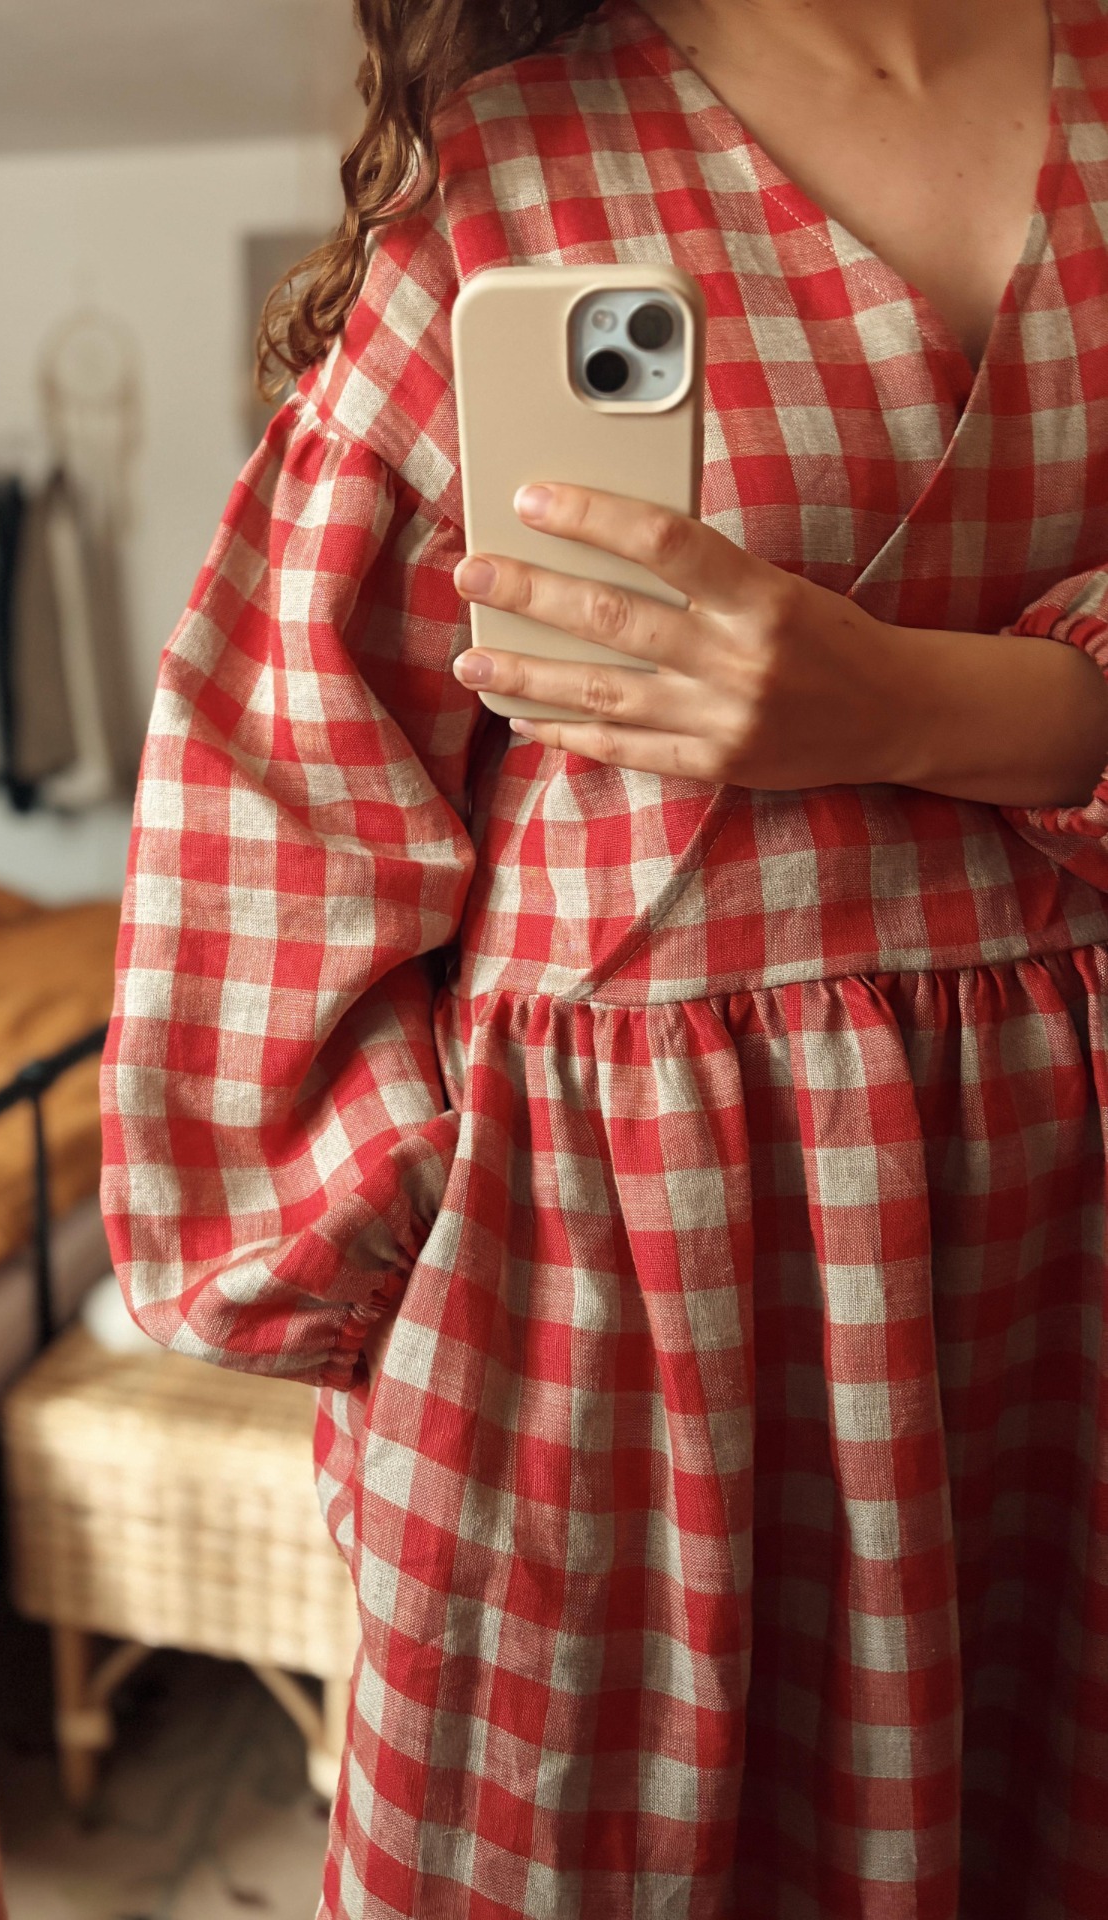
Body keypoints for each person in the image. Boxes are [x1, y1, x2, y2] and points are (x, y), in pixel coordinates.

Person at [100, 1, 1108, 1911]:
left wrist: (904, 705)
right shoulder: (513, 177)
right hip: (639, 1301)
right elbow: (277, 791)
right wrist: (425, 1304)